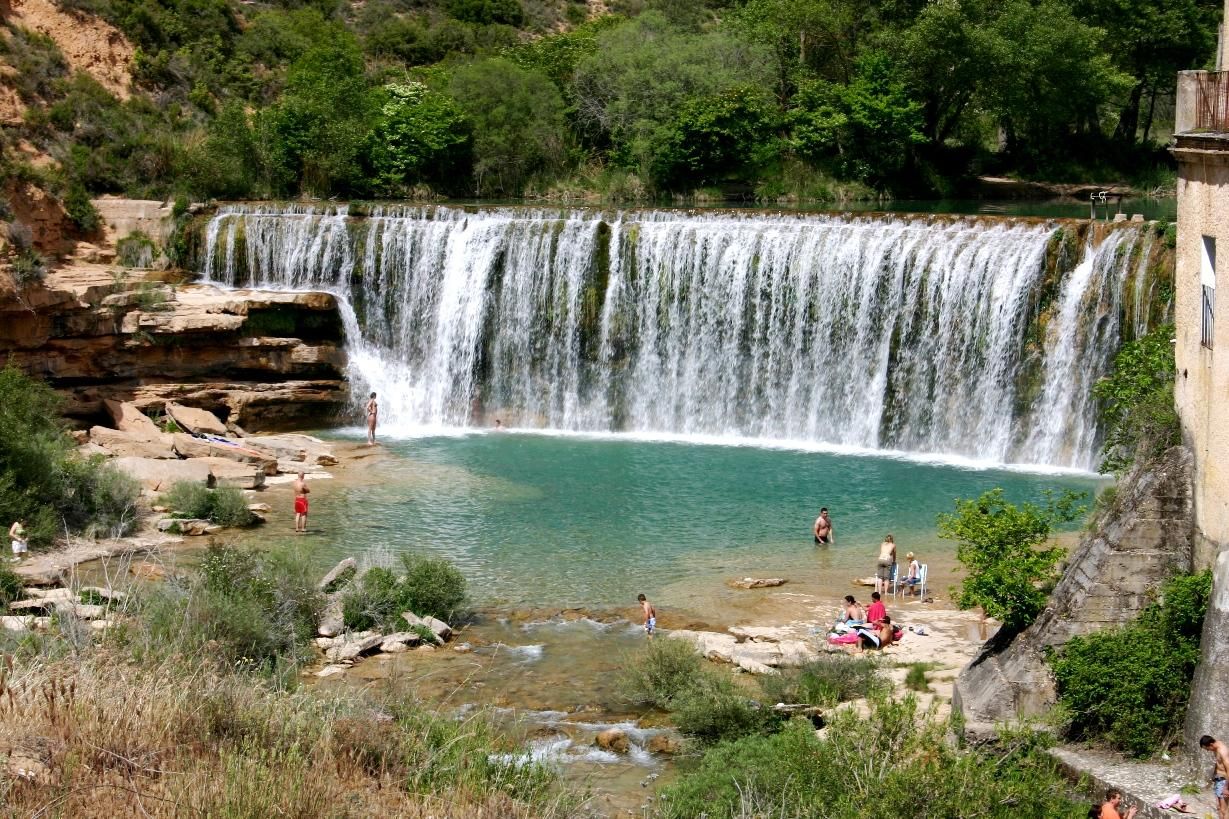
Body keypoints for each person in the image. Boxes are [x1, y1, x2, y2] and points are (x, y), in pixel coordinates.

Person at [1201, 735, 1229, 819]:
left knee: (1225, 810)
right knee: (1219, 808)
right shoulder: (1216, 747)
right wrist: (1214, 776)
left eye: (1207, 749)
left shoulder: (1222, 751)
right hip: (1219, 780)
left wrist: (1226, 788)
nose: (1208, 751)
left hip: (1224, 781)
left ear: (1211, 744)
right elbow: (1218, 764)